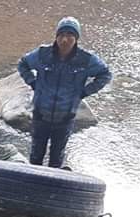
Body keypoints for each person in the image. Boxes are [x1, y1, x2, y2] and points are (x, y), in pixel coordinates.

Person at [17, 17, 111, 168]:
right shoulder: (42, 54)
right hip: (41, 115)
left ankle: (51, 189)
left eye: (70, 35)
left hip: (65, 117)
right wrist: (33, 83)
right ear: (56, 36)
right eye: (61, 35)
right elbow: (23, 64)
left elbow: (105, 74)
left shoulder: (86, 60)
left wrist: (85, 92)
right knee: (35, 156)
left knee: (56, 158)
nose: (65, 40)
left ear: (76, 38)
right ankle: (33, 188)